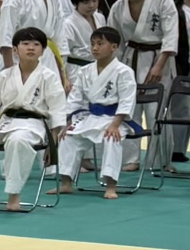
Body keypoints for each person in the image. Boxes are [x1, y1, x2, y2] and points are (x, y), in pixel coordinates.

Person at [0, 27, 68, 212]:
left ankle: (14, 195)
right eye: (25, 44)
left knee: (17, 141)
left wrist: (53, 143)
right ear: (15, 49)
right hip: (5, 122)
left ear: (43, 50)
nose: (31, 48)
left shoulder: (49, 77)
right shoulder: (5, 75)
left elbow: (57, 109)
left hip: (33, 124)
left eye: (36, 44)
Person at [106, 0, 180, 166]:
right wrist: (115, 68)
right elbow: (115, 40)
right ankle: (131, 159)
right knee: (130, 109)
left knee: (157, 110)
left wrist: (159, 65)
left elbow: (170, 35)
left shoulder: (162, 1)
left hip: (158, 58)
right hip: (130, 59)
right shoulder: (118, 7)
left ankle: (160, 161)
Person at [59, 25, 139, 196]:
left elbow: (127, 100)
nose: (95, 48)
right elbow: (75, 98)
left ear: (114, 47)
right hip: (90, 116)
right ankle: (66, 183)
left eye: (100, 44)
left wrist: (115, 125)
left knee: (112, 138)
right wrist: (68, 122)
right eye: (93, 44)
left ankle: (111, 186)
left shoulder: (124, 71)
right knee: (68, 136)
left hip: (114, 118)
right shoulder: (85, 71)